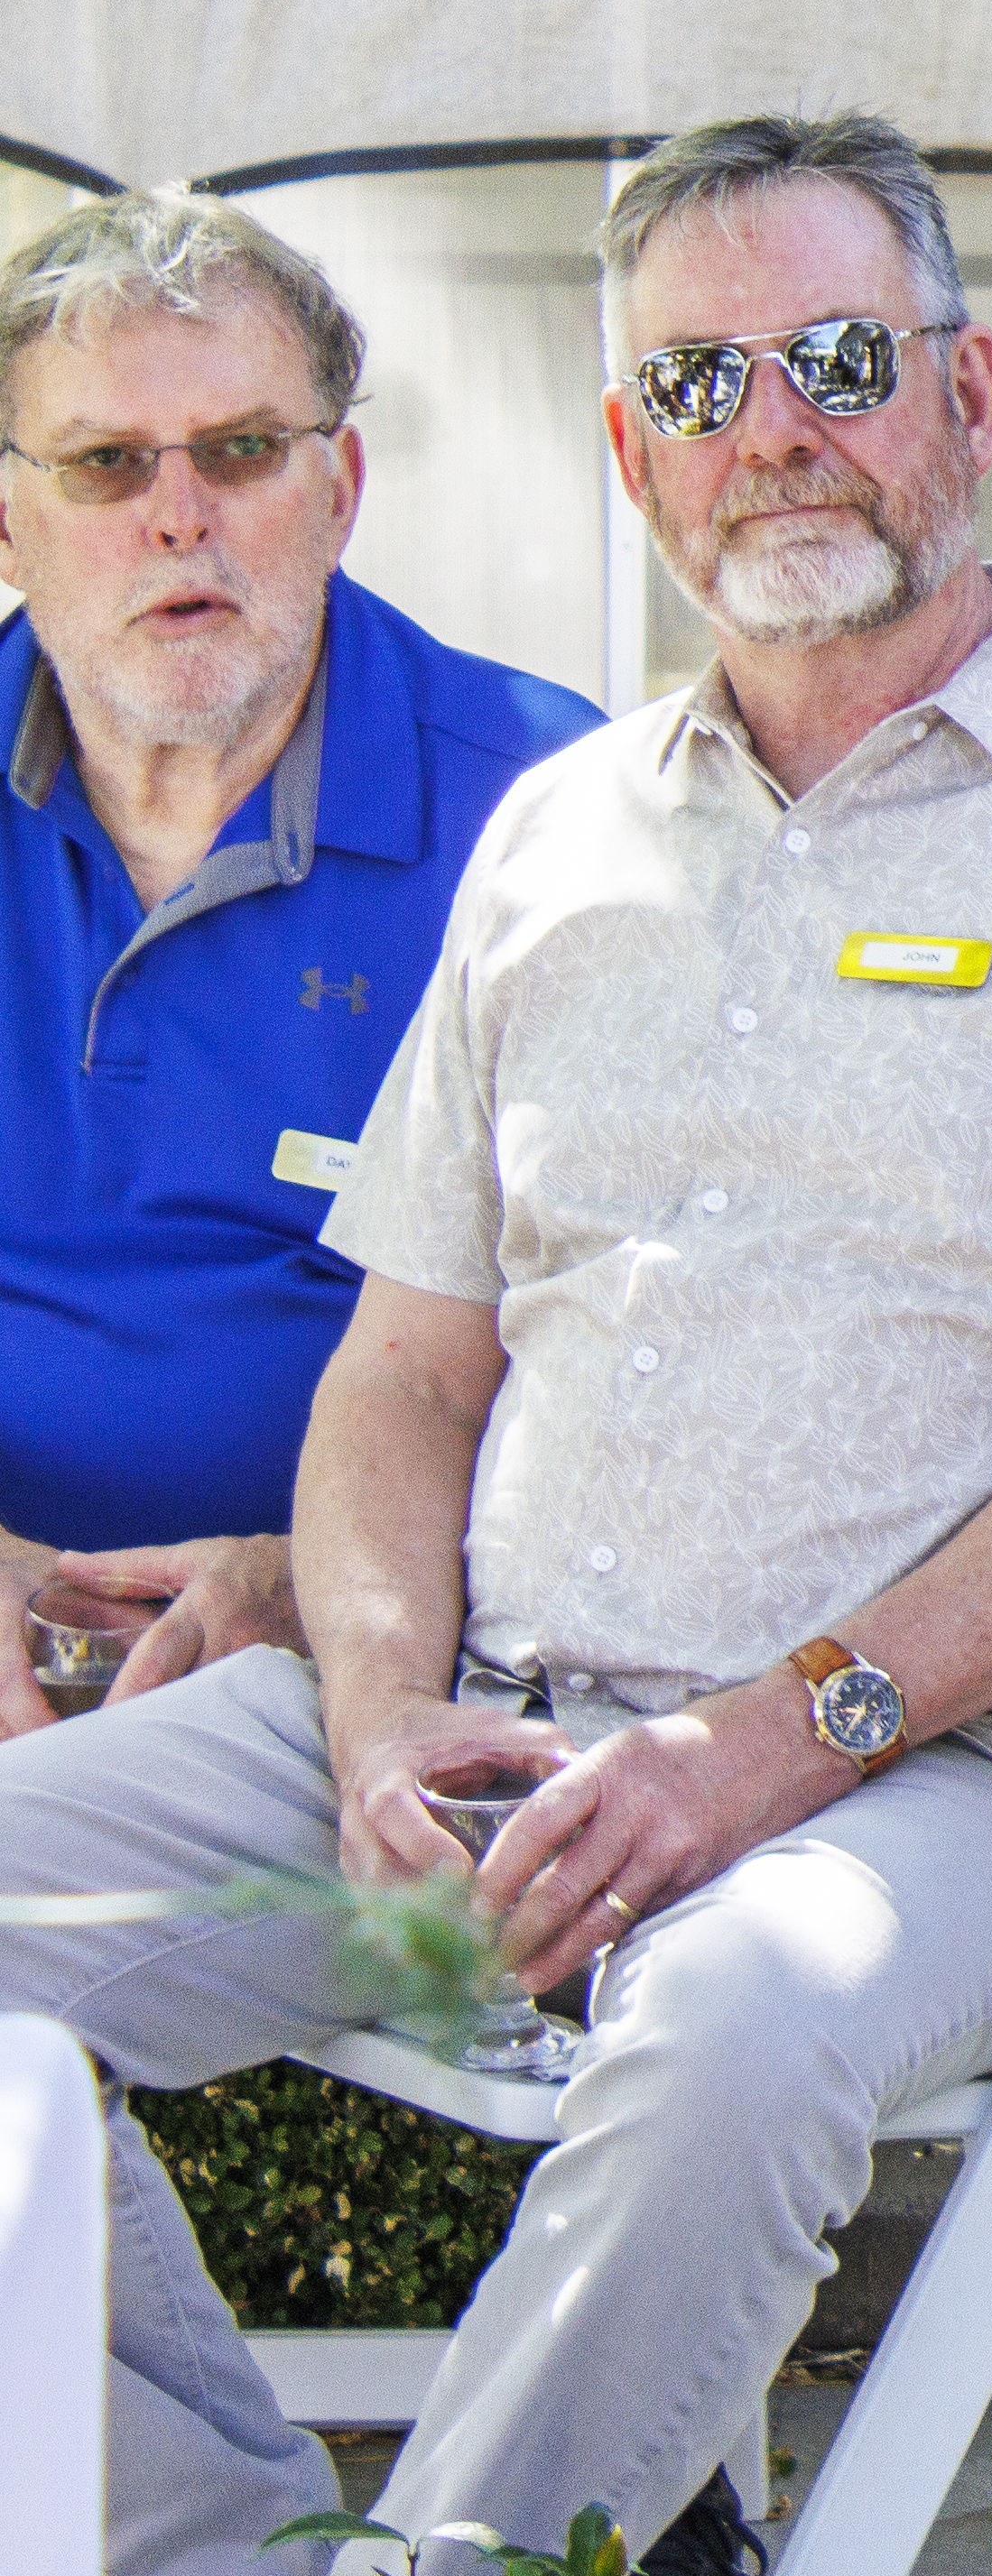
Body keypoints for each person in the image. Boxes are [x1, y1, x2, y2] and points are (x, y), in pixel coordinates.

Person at [0, 113, 992, 2576]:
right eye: (697, 380)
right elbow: (409, 1369)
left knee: (739, 2030)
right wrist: (369, 1718)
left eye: (838, 359)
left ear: (969, 394)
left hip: (938, 1785)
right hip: (486, 1796)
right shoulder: (562, 834)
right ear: (624, 448)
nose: (770, 429)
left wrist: (772, 1742)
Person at [1, 193, 597, 1732]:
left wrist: (329, 1582)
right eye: (104, 463)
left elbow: (654, 1363)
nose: (178, 514)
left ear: (340, 488)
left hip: (355, 1692)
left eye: (244, 450)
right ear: (10, 520)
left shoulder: (558, 823)